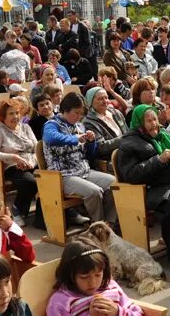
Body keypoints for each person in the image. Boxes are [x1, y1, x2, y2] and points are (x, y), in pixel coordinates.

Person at [118, 104, 170, 274]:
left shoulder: (166, 135)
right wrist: (159, 160)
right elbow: (131, 175)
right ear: (140, 122)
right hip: (151, 189)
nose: (154, 124)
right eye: (148, 121)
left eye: (155, 119)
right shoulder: (129, 143)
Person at [43, 92, 117, 225]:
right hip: (63, 175)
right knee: (94, 192)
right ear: (66, 110)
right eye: (76, 113)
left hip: (83, 170)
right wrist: (75, 138)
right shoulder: (52, 124)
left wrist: (91, 142)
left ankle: (109, 223)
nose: (79, 116)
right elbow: (51, 138)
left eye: (81, 113)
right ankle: (98, 226)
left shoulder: (79, 126)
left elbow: (89, 155)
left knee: (114, 183)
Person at [0, 99, 41, 226]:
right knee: (30, 183)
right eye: (11, 114)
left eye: (17, 113)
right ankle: (16, 209)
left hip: (32, 163)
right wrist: (14, 157)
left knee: (51, 179)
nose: (15, 116)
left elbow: (37, 149)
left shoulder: (26, 127)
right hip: (12, 166)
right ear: (3, 115)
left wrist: (31, 162)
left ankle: (44, 215)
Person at [83, 86, 128, 162]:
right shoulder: (89, 122)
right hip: (112, 158)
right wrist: (123, 139)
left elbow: (127, 131)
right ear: (90, 102)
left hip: (128, 151)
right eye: (100, 99)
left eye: (106, 98)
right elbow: (101, 147)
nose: (105, 101)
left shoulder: (116, 113)